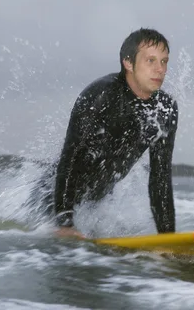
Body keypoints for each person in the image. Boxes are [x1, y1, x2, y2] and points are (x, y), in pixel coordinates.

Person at [29, 28, 179, 239]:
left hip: (94, 201)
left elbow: (160, 178)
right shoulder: (100, 96)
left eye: (164, 62)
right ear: (128, 63)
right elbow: (70, 158)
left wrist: (168, 239)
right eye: (151, 61)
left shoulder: (165, 109)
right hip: (52, 198)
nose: (160, 69)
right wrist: (64, 222)